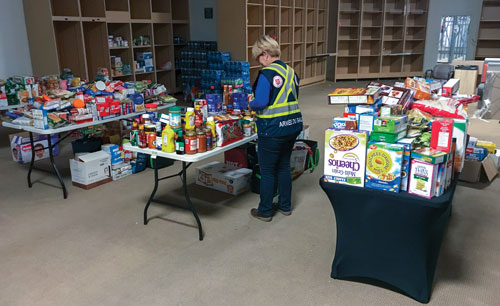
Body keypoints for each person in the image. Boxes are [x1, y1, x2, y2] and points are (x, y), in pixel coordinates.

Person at [249, 35, 303, 222]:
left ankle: (264, 211)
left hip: (272, 129)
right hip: (293, 125)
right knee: (283, 167)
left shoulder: (267, 74)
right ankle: (285, 206)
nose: (259, 63)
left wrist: (251, 104)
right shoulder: (290, 71)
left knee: (268, 170)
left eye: (257, 58)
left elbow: (262, 101)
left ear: (264, 54)